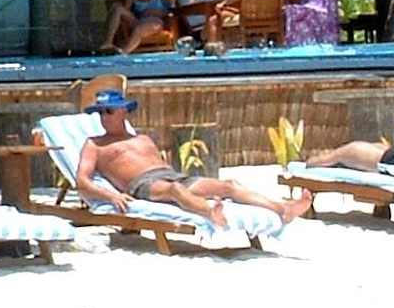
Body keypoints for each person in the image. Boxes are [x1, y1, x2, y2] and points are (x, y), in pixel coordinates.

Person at [74, 89, 309, 230]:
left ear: (123, 111)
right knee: (175, 189)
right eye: (100, 112)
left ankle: (282, 209)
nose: (103, 117)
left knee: (229, 185)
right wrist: (112, 195)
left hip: (171, 176)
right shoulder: (95, 144)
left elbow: (161, 164)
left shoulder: (142, 138)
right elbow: (82, 182)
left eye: (108, 111)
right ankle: (209, 212)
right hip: (142, 185)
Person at [99, 0, 177, 53]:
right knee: (117, 7)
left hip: (155, 22)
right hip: (139, 21)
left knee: (139, 29)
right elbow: (125, 17)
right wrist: (133, 6)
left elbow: (173, 0)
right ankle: (108, 42)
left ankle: (124, 53)